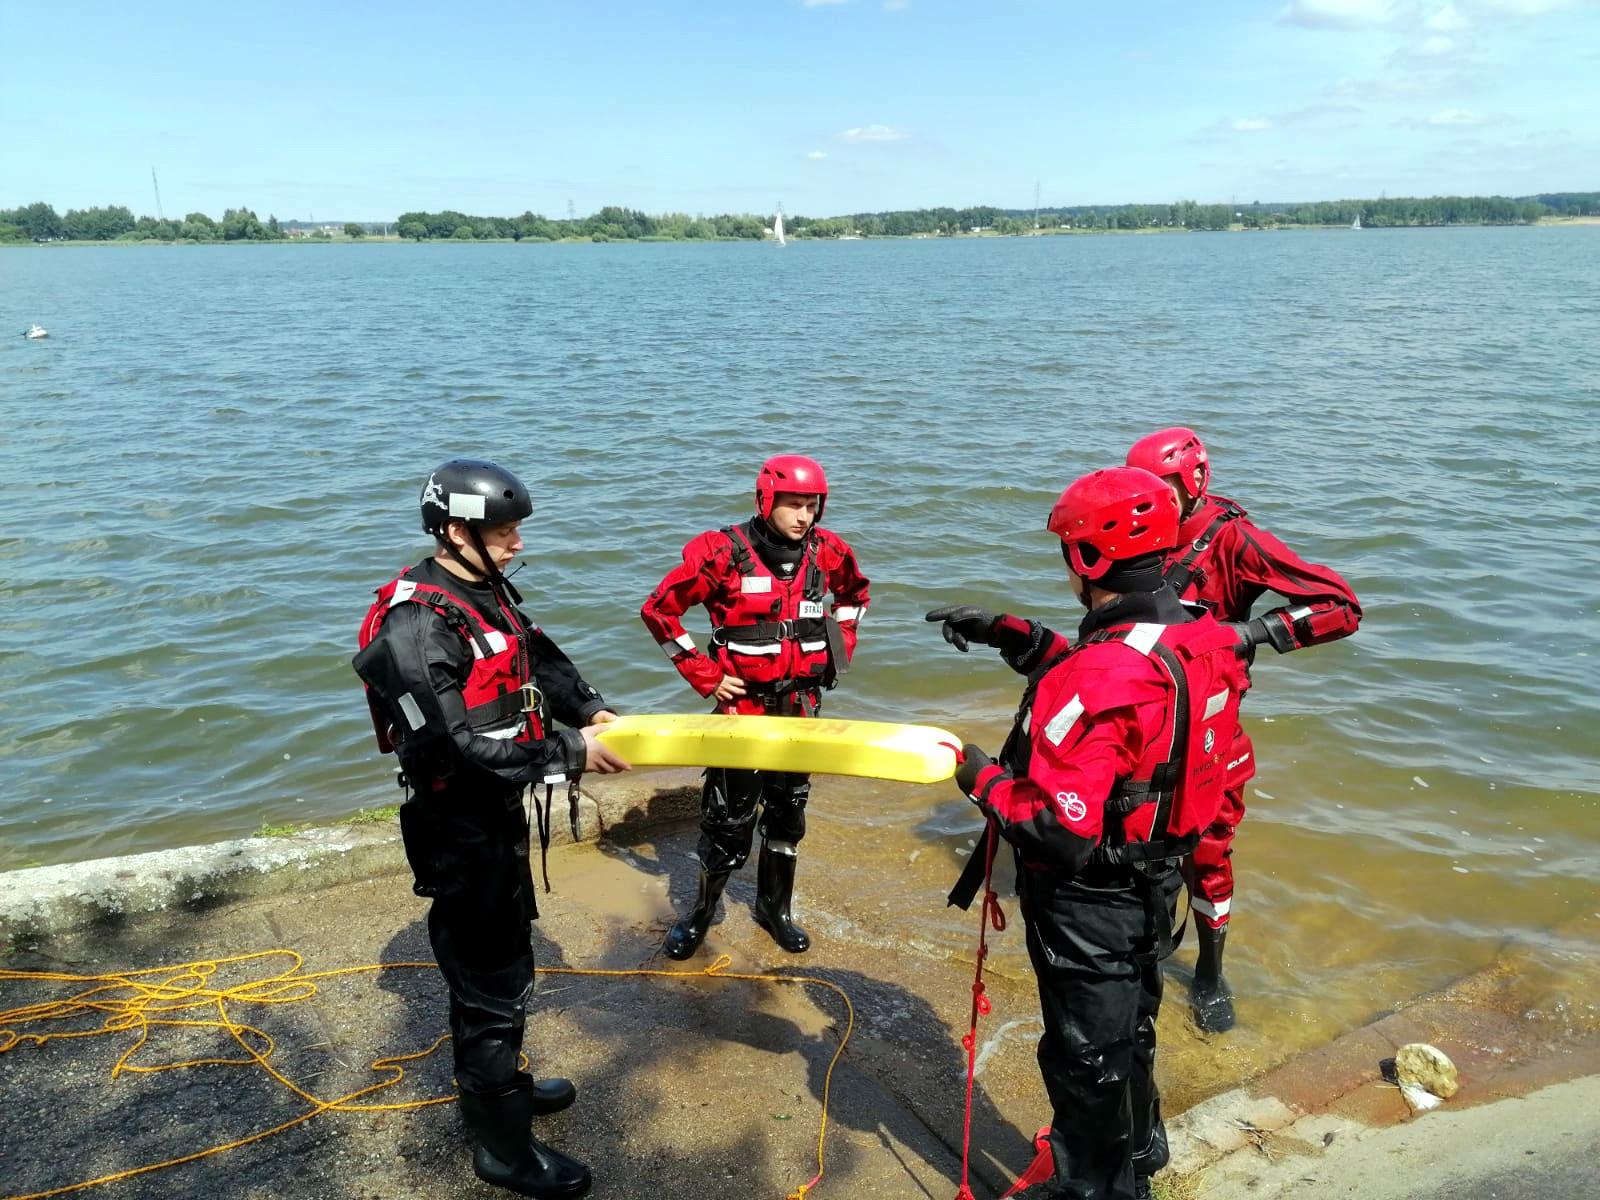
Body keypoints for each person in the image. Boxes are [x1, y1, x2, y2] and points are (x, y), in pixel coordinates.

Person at [928, 466, 1248, 1200]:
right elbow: (1142, 691)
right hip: (1157, 877)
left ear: (1087, 558)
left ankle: (1098, 1189)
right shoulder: (1206, 635)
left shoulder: (1099, 674)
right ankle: (1143, 1150)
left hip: (1091, 899)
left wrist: (979, 777)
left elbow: (1055, 830)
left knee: (1085, 1058)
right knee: (1131, 1028)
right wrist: (1017, 637)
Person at [353, 459, 629, 1200]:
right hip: (457, 827)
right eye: (504, 532)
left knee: (509, 957)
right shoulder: (417, 625)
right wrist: (571, 753)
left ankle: (504, 1089)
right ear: (455, 531)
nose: (517, 544)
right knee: (490, 984)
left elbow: (534, 654)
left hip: (496, 815)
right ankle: (501, 1149)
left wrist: (588, 708)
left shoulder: (483, 592)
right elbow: (449, 746)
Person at [1126, 427, 1362, 1032]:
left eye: (1163, 488)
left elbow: (1339, 605)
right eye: (1143, 488)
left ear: (1194, 481)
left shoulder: (1232, 539)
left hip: (1211, 725)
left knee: (1208, 852)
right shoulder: (1134, 533)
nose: (1151, 500)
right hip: (1145, 717)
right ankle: (1140, 956)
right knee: (1134, 841)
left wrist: (1246, 633)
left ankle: (1209, 969)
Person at [640, 454, 870, 959]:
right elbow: (659, 611)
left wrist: (841, 646)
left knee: (788, 814)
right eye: (793, 504)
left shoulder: (828, 551)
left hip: (801, 708)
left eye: (812, 505)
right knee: (728, 819)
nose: (804, 516)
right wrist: (705, 675)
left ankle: (774, 910)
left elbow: (855, 596)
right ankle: (701, 913)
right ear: (765, 500)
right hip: (743, 712)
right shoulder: (721, 552)